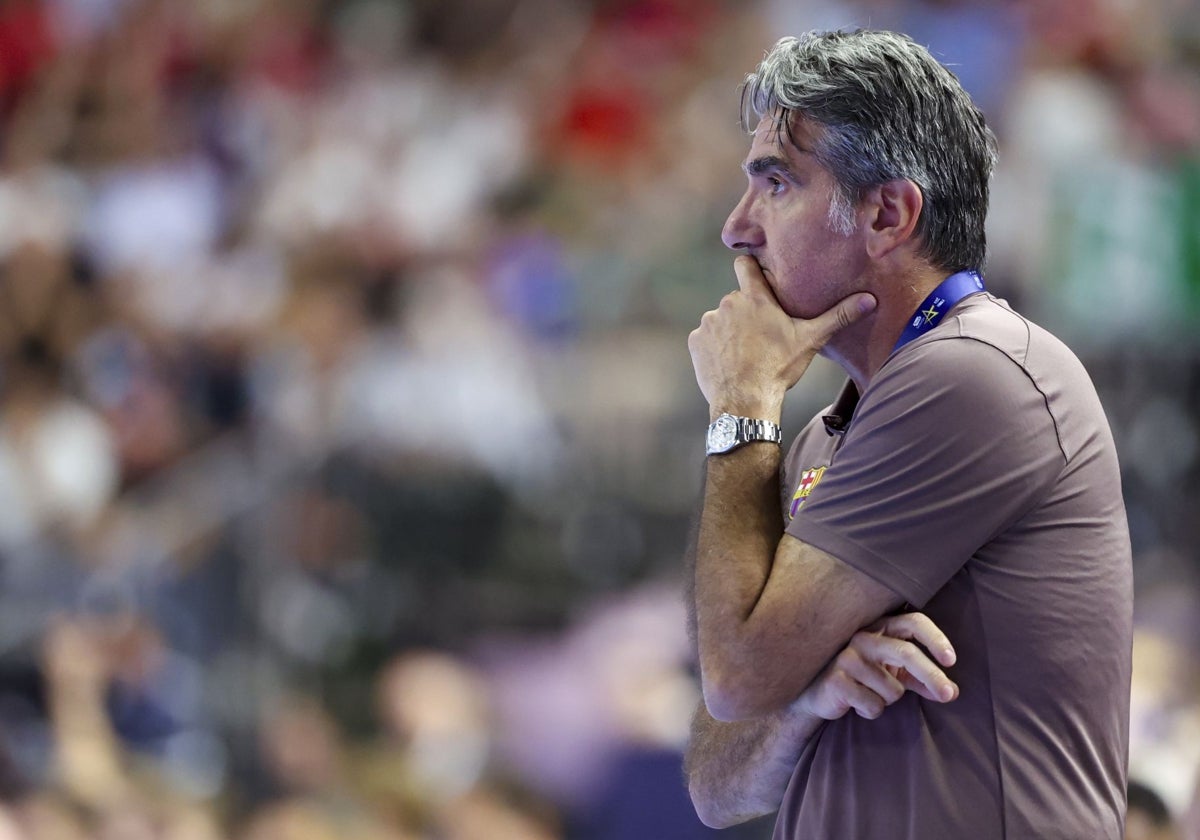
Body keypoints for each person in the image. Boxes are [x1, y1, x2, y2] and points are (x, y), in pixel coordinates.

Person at [683, 29, 1132, 839]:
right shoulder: (832, 431)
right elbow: (715, 787)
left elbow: (738, 677)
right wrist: (809, 699)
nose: (736, 228)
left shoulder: (978, 373)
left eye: (776, 183)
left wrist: (742, 402)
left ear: (887, 213)